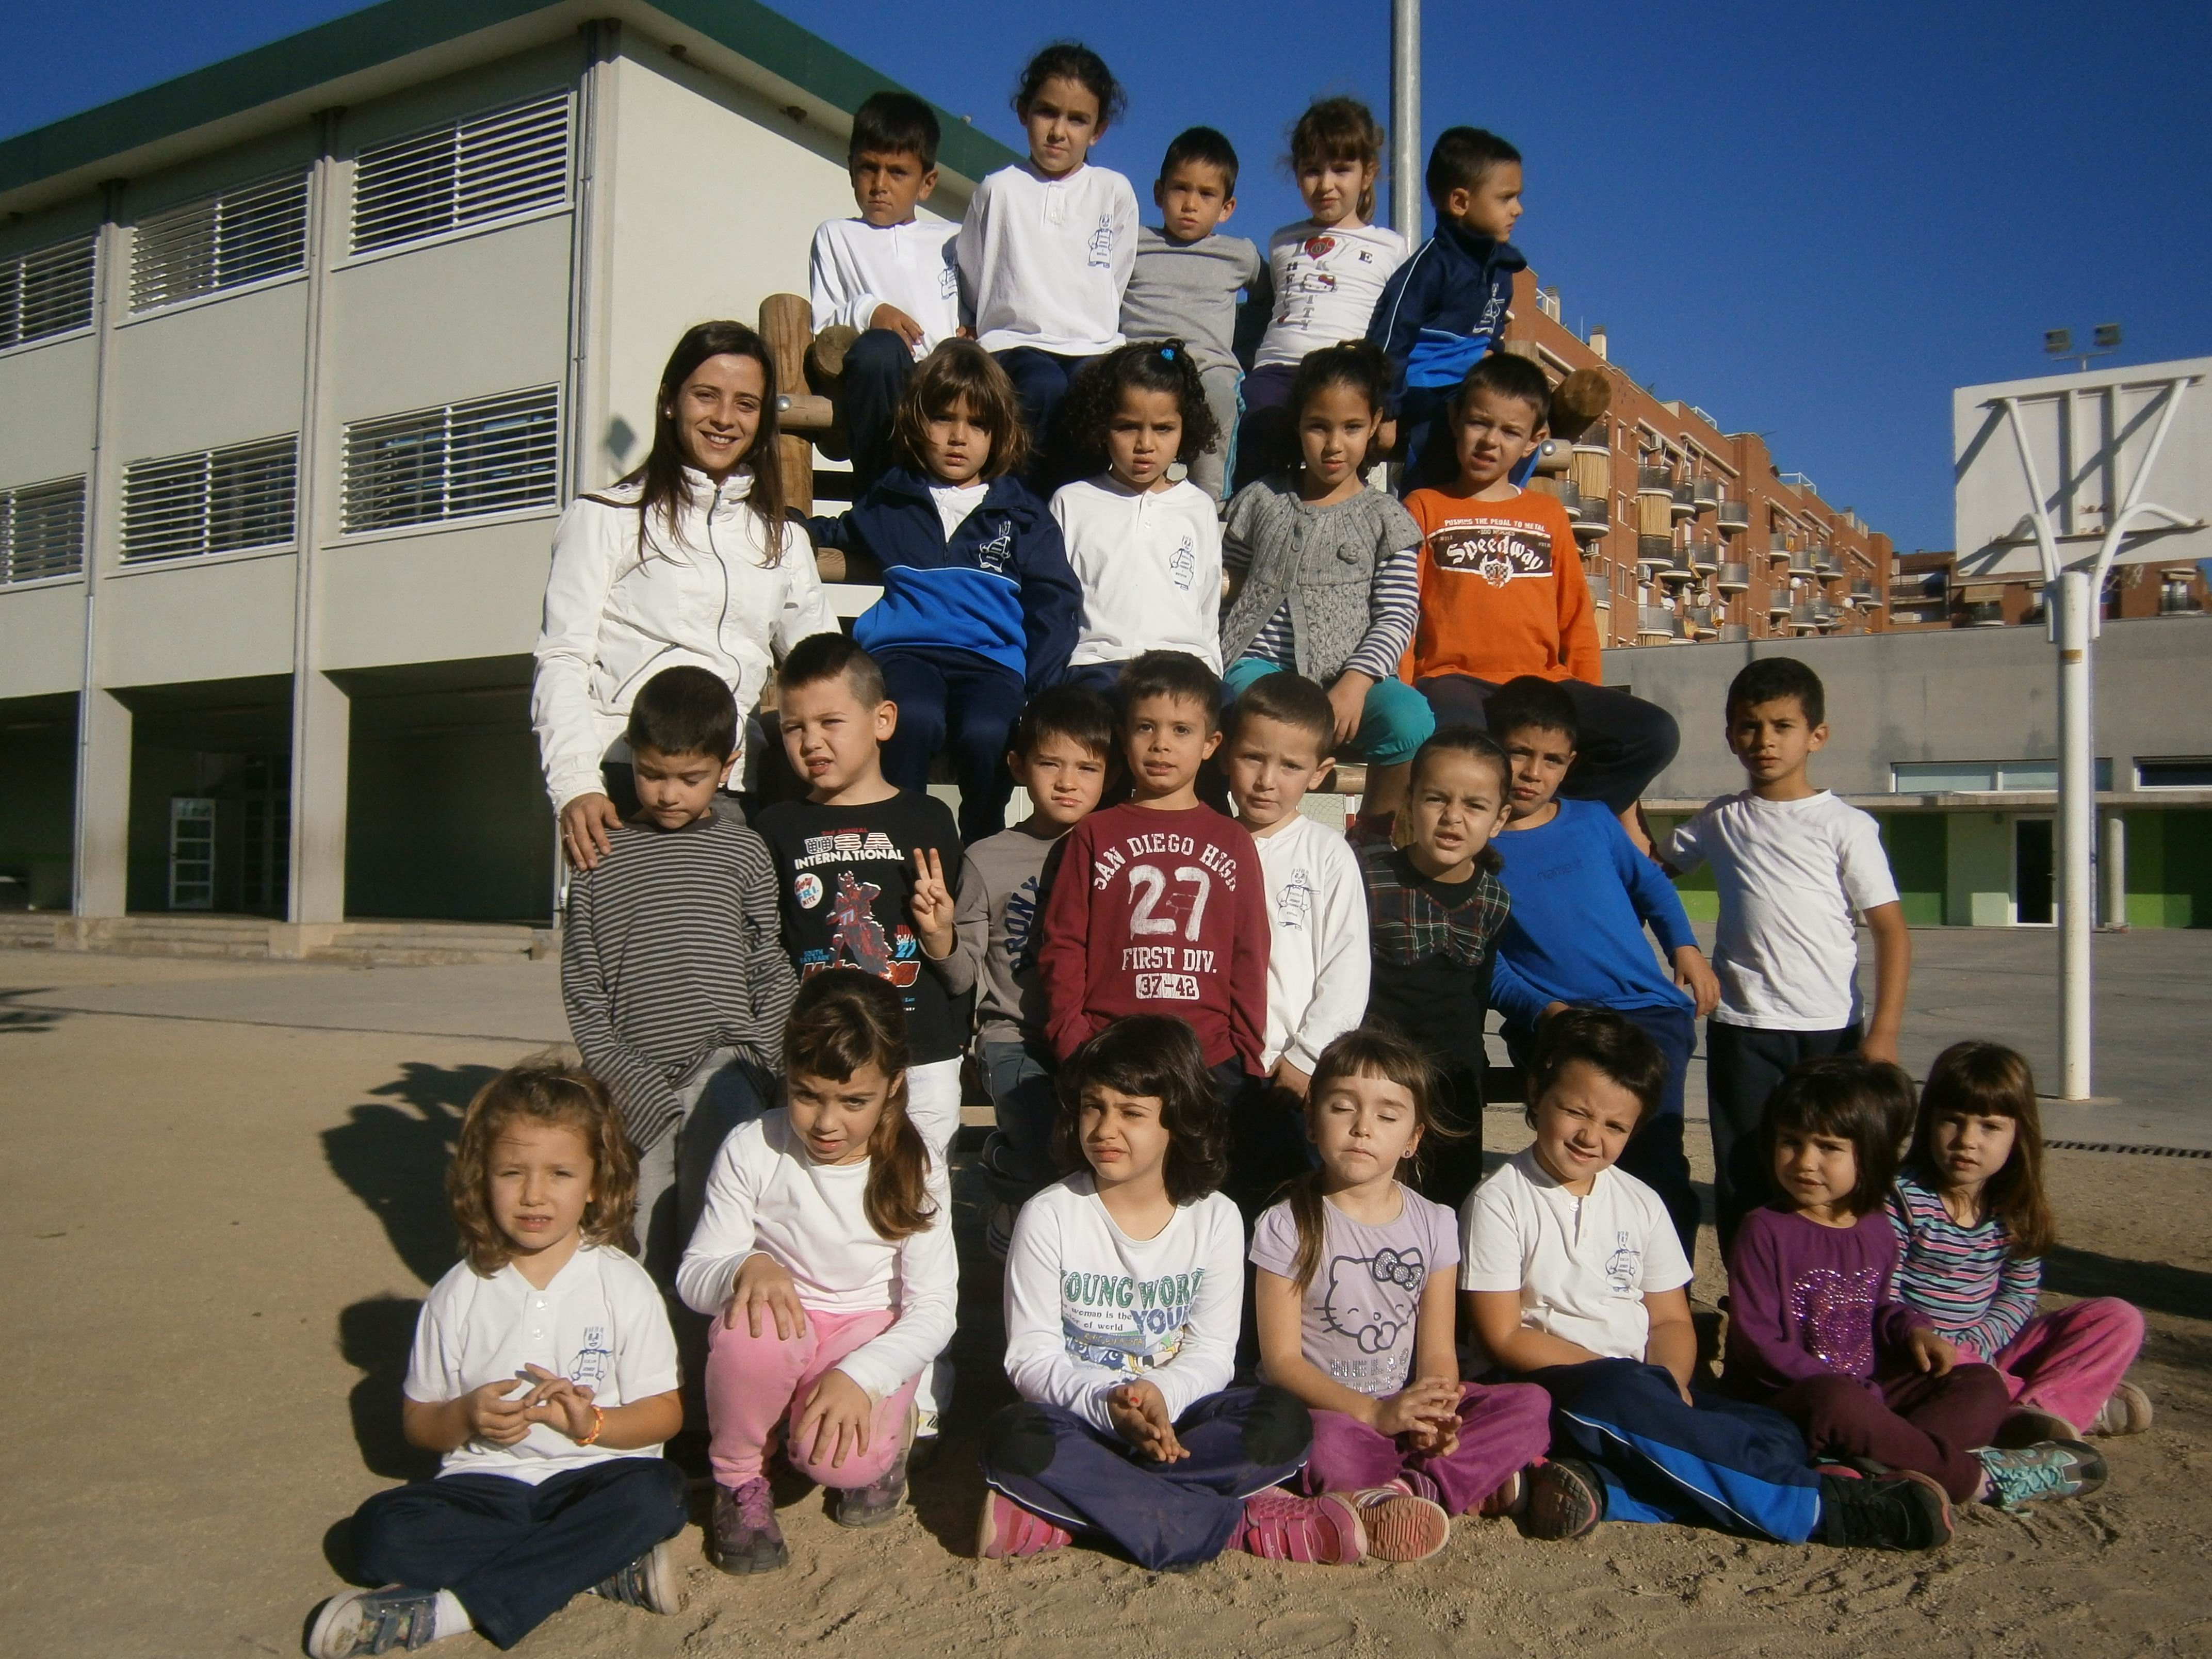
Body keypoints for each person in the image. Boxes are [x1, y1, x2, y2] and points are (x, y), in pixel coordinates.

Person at [1461, 1013, 1955, 1551]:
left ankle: (1607, 1489)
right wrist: (1635, 1381)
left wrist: (1669, 1382)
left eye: (1614, 1127)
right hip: (1557, 1388)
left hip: (1645, 1389)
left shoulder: (1641, 1202)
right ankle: (1821, 1509)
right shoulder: (1500, 1201)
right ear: (1537, 1092)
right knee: (1627, 1401)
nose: (1590, 1136)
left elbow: (1671, 1320)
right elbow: (1504, 1337)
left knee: (1775, 1432)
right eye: (1575, 1112)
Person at [308, 1063, 686, 1657]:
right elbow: (420, 1423)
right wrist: (465, 1416)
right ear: (481, 1178)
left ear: (595, 1182)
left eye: (560, 1173)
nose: (534, 1195)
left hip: (596, 1481)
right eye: (512, 1173)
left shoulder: (623, 1284)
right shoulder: (457, 1293)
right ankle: (598, 1565)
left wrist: (592, 1424)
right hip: (486, 1488)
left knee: (659, 1495)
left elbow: (664, 1413)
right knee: (378, 1535)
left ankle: (447, 1612)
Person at [978, 1017, 1367, 1568]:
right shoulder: (1049, 1215)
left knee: (1282, 1422)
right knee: (1014, 1438)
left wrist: (1160, 1394)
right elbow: (1032, 1357)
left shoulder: (1216, 1218)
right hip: (1082, 1419)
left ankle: (1070, 1510)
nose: (1105, 1128)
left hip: (1182, 1419)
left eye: (1132, 1113)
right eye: (1093, 1107)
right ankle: (1235, 1524)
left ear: (1178, 1121)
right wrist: (1109, 1405)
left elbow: (1212, 1353)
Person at [1724, 1055, 2109, 1511]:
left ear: (1868, 1154)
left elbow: (1880, 1309)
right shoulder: (1765, 1229)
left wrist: (1916, 1331)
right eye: (1791, 1142)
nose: (1806, 1162)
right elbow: (1757, 1340)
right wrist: (1840, 1388)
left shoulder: (1874, 1226)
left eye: (1829, 1147)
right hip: (1790, 1401)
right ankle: (1979, 1480)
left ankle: (1875, 1463)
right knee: (1838, 1400)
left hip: (1868, 1394)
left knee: (1979, 1382)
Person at [678, 971, 957, 1573]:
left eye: (854, 1102)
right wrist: (743, 1267)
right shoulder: (752, 1146)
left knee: (839, 1463)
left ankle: (885, 1434)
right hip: (789, 1328)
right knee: (751, 1330)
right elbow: (695, 1276)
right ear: (787, 1074)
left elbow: (935, 1309)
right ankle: (739, 1479)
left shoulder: (917, 1165)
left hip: (868, 1333)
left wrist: (862, 1376)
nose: (827, 1123)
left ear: (894, 1086)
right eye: (807, 1095)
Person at [534, 320, 836, 871]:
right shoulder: (606, 517)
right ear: (670, 401)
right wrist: (576, 784)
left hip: (733, 784)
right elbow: (563, 658)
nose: (724, 418)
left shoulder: (782, 538)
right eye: (706, 396)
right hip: (629, 778)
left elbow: (822, 668)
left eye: (746, 404)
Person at [1250, 1028, 1553, 1558]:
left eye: (1387, 1116)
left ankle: (1405, 1490)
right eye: (1342, 1108)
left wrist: (1436, 1414)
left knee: (1531, 1405)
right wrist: (1372, 1414)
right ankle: (1449, 1484)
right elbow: (1282, 1364)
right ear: (1312, 1122)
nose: (1363, 1127)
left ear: (1413, 1138)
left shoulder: (1435, 1223)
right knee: (1326, 1445)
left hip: (1403, 1406)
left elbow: (1437, 1351)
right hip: (1331, 1411)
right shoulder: (1286, 1224)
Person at [1665, 655, 1912, 1256]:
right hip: (1744, 1028)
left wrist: (1882, 1035)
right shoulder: (1720, 820)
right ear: (1730, 736)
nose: (1764, 741)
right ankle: (1749, 1296)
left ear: (1816, 735)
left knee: (1833, 1169)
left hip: (1831, 1030)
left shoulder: (1846, 826)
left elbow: (1891, 932)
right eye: (1749, 726)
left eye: (1782, 726)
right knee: (1745, 1169)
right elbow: (1650, 873)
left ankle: (1835, 1285)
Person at [559, 666, 796, 1276]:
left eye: (690, 779)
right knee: (633, 1244)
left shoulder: (745, 851)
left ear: (727, 766)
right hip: (628, 1078)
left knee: (721, 1241)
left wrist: (767, 1065)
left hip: (728, 1072)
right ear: (630, 758)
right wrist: (622, 1078)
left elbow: (768, 964)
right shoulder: (598, 856)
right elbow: (584, 988)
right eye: (651, 774)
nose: (668, 794)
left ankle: (709, 1343)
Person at [1481, 675, 1717, 1262]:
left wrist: (1685, 947)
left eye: (1552, 759)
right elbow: (1489, 965)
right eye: (1519, 753)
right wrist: (1545, 1012)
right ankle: (1570, 1281)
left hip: (1650, 1017)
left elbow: (1652, 886)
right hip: (1563, 1027)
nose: (1533, 772)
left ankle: (1668, 1292)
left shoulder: (1593, 821)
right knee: (1568, 1161)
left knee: (1653, 1159)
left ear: (1571, 763)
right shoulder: (1476, 850)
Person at [810, 341, 1083, 842]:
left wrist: (1037, 687)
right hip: (906, 652)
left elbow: (1055, 599)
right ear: (918, 423)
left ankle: (980, 847)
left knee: (988, 733)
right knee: (912, 718)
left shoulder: (1021, 514)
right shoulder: (893, 499)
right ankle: (903, 842)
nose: (959, 437)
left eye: (978, 424)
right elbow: (838, 531)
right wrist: (786, 525)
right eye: (943, 419)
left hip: (990, 663)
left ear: (999, 433)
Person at [1402, 352, 1679, 840]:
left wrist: (1581, 705)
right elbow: (1404, 608)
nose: (1490, 441)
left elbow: (1576, 617)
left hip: (1543, 684)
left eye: (1510, 431)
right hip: (1454, 680)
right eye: (1479, 423)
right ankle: (1483, 844)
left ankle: (1556, 828)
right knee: (1464, 756)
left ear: (1535, 440)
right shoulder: (1425, 506)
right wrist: (1405, 689)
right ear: (1455, 419)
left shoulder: (1547, 514)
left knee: (1653, 733)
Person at [754, 634, 968, 1160]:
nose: (811, 742)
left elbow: (959, 952)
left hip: (921, 1058)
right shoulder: (775, 827)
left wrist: (941, 934)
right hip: (820, 1061)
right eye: (793, 728)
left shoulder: (929, 818)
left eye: (830, 722)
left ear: (883, 720)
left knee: (920, 1190)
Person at [1036, 650, 1268, 1104]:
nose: (1161, 744)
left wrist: (1246, 1053)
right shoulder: (1093, 834)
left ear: (1211, 743)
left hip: (1209, 1057)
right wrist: (1073, 1043)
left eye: (1181, 730)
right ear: (1124, 737)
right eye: (1146, 727)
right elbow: (1064, 945)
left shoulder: (1233, 840)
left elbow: (1250, 953)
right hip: (1110, 1053)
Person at [1892, 1040, 2151, 1443]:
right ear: (1928, 1122)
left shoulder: (2013, 1203)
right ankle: (2069, 1405)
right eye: (1952, 1121)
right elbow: (1884, 1296)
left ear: (2018, 1133)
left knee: (2119, 1318)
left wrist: (1983, 1340)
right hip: (1923, 1356)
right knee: (1978, 1381)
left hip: (1992, 1349)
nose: (1967, 1140)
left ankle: (2038, 1409)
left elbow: (2019, 1293)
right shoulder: (1901, 1199)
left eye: (1990, 1126)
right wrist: (1938, 1342)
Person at [1220, 341, 1432, 823]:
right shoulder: (1260, 501)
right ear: (1298, 425)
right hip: (1262, 668)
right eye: (1319, 427)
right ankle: (1251, 832)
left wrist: (1357, 682)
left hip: (1349, 680)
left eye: (1351, 427)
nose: (1334, 445)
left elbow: (1398, 613)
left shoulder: (1387, 519)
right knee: (1251, 714)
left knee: (1409, 718)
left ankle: (1375, 834)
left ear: (1375, 424)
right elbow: (1229, 589)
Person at [941, 685, 1118, 1257]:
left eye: (1087, 768)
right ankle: (1012, 1191)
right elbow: (965, 969)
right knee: (1038, 1127)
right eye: (1050, 764)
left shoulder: (1117, 851)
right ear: (1018, 766)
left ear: (1109, 775)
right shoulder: (986, 858)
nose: (1068, 782)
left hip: (1093, 1031)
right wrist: (939, 939)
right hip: (1013, 1033)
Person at [1216, 671, 1370, 1212]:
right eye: (1253, 758)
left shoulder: (1327, 854)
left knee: (1284, 1212)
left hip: (1286, 1070)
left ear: (1320, 773)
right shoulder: (1205, 841)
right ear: (1225, 753)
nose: (1266, 780)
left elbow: (1346, 969)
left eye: (1290, 766)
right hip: (1209, 1062)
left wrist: (1307, 1057)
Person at [1352, 727, 1512, 1210]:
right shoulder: (1367, 880)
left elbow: (1480, 994)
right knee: (1364, 1196)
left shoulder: (1495, 900)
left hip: (1453, 1085)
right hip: (1376, 1075)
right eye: (1436, 798)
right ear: (1410, 801)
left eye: (1475, 805)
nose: (1453, 817)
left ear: (1500, 818)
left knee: (1448, 1207)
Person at [957, 41, 1137, 468]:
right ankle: (1017, 502)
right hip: (1013, 344)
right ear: (1024, 112)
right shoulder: (998, 189)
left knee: (1095, 398)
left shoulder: (1113, 191)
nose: (1059, 131)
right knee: (1042, 386)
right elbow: (974, 269)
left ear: (1098, 130)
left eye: (1077, 119)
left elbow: (1117, 273)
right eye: (1047, 112)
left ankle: (1077, 506)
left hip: (1093, 347)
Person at [1232, 97, 1407, 491]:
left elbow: (1398, 330)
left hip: (1346, 373)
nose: (1326, 185)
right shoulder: (1282, 241)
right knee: (1260, 436)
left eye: (1341, 170)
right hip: (1278, 369)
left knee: (1336, 462)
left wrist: (1391, 407)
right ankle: (1249, 520)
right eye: (1312, 171)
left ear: (1368, 174)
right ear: (1297, 175)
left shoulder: (1390, 247)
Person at [808, 90, 962, 496]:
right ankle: (883, 500)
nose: (879, 185)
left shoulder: (954, 239)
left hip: (948, 385)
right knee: (880, 349)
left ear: (927, 183)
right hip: (882, 386)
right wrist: (869, 311)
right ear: (851, 170)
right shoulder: (836, 236)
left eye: (897, 172)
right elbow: (823, 325)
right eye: (868, 168)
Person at [1049, 343, 1226, 691]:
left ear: (1186, 428)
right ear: (1102, 425)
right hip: (1098, 668)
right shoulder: (1072, 502)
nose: (1145, 444)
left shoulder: (1198, 507)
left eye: (1163, 428)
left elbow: (1207, 611)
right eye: (1128, 427)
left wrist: (1212, 673)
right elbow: (1056, 606)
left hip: (1184, 670)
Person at [1366, 127, 1526, 493]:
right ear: (1460, 202)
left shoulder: (1502, 268)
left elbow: (1492, 331)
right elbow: (1391, 335)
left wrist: (1493, 354)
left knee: (1523, 409)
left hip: (1468, 383)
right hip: (1423, 387)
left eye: (1517, 197)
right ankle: (1424, 503)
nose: (1518, 209)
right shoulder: (1431, 265)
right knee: (1454, 423)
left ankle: (1499, 501)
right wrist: (1386, 407)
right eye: (1506, 198)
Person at [1118, 125, 1262, 501]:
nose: (1190, 204)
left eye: (1206, 194)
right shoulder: (1133, 242)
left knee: (1220, 397)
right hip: (1139, 362)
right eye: (1180, 188)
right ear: (1158, 192)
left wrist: (1243, 341)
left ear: (1227, 208)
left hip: (1207, 365)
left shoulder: (1239, 254)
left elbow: (1269, 297)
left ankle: (1208, 501)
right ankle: (1115, 491)